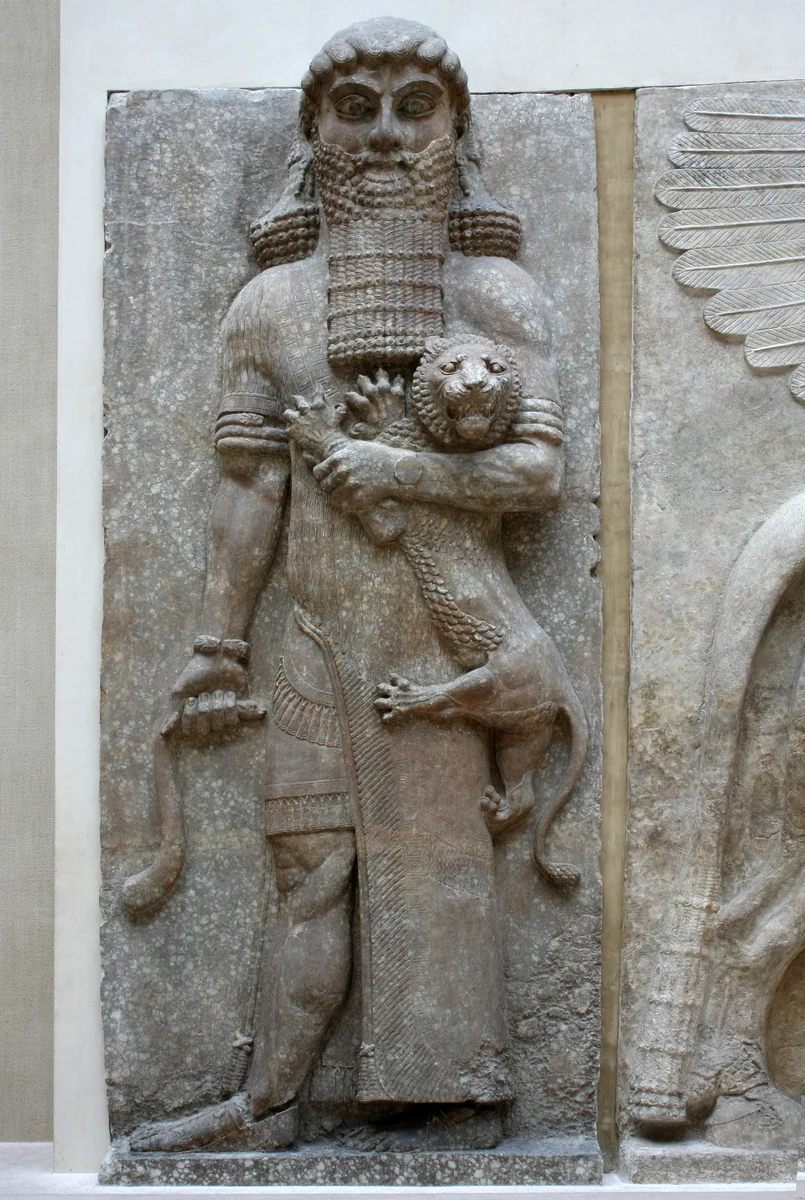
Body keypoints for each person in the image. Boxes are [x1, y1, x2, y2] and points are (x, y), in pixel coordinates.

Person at [130, 16, 568, 1154]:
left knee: (436, 872)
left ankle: (455, 1097)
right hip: (315, 633)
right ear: (313, 134)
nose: (383, 135)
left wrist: (395, 467)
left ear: (455, 135)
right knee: (307, 866)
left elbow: (538, 474)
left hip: (444, 634)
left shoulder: (496, 295)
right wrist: (217, 643)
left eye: (414, 108)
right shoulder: (269, 305)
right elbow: (248, 484)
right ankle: (270, 1106)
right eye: (354, 108)